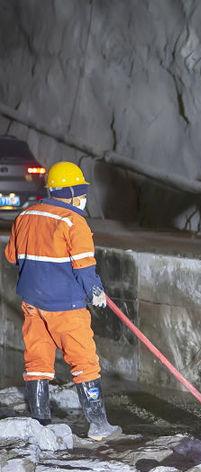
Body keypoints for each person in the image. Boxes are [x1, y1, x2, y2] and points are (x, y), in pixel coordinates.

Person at [4, 161, 121, 439]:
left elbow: (11, 256)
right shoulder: (74, 222)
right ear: (71, 193)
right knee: (84, 361)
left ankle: (39, 422)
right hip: (65, 306)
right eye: (81, 192)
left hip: (32, 303)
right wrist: (96, 291)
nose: (84, 198)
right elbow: (83, 267)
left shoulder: (26, 215)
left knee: (37, 361)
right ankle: (99, 425)